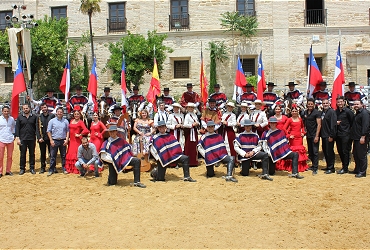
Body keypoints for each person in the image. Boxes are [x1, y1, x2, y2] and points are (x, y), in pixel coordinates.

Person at [279, 105, 308, 172]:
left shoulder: (300, 119)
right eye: (293, 111)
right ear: (291, 112)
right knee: (294, 151)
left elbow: (302, 127)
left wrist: (303, 133)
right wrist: (288, 135)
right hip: (293, 138)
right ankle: (293, 167)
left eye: (295, 111)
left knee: (300, 150)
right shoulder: (289, 119)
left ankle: (301, 167)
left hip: (299, 138)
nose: (294, 112)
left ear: (297, 112)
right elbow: (284, 128)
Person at [65, 108, 90, 174]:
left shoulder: (81, 122)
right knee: (70, 153)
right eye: (75, 114)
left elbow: (86, 130)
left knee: (76, 154)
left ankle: (78, 168)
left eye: (78, 114)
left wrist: (80, 134)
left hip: (77, 141)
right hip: (71, 140)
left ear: (80, 115)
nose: (76, 115)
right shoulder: (71, 120)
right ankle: (70, 169)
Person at [15, 104, 37, 175]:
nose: (25, 109)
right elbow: (17, 128)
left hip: (31, 138)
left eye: (27, 108)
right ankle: (22, 168)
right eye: (24, 108)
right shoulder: (19, 117)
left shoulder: (34, 117)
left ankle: (32, 168)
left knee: (32, 154)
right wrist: (17, 138)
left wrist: (38, 137)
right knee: (23, 154)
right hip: (23, 138)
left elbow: (36, 128)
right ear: (22, 109)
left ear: (29, 108)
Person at [47, 107, 69, 176]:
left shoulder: (66, 121)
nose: (59, 113)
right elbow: (48, 131)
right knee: (53, 156)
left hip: (62, 140)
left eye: (61, 112)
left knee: (63, 155)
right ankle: (51, 169)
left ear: (63, 113)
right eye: (58, 112)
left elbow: (68, 131)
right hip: (54, 140)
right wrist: (51, 140)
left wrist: (67, 139)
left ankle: (64, 168)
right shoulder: (52, 121)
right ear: (56, 113)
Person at [349, 100, 369, 177]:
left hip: (361, 137)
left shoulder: (364, 113)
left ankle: (362, 172)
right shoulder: (357, 113)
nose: (356, 105)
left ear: (361, 104)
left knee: (362, 155)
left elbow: (366, 126)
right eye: (354, 104)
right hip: (356, 137)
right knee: (356, 154)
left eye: (357, 104)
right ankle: (357, 169)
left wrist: (363, 136)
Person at [335, 96, 354, 174]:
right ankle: (344, 165)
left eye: (341, 102)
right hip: (338, 134)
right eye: (338, 102)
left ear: (344, 102)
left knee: (345, 151)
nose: (340, 103)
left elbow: (352, 122)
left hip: (346, 134)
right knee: (340, 151)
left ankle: (345, 168)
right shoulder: (336, 112)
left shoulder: (348, 111)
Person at [303, 98, 322, 175]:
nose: (310, 105)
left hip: (314, 134)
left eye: (311, 104)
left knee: (315, 151)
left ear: (314, 104)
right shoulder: (305, 112)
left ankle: (315, 168)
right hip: (308, 135)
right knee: (310, 151)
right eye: (309, 104)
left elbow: (319, 124)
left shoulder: (317, 113)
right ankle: (313, 165)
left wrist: (317, 136)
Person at [36, 103, 55, 174]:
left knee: (52, 153)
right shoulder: (39, 117)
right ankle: (42, 167)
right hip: (42, 138)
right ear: (41, 109)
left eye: (45, 107)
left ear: (47, 108)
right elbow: (37, 128)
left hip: (50, 138)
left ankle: (53, 167)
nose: (44, 109)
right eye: (42, 108)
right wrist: (39, 137)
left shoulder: (52, 116)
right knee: (42, 153)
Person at [320, 99, 337, 174]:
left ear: (329, 104)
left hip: (329, 135)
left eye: (326, 103)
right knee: (325, 151)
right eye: (324, 103)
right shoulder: (322, 112)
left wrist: (331, 135)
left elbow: (333, 125)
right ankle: (328, 166)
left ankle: (331, 167)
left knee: (329, 151)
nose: (325, 104)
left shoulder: (331, 112)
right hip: (323, 135)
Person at [0, 106, 15, 177]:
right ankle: (0, 171)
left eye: (7, 111)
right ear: (2, 111)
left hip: (10, 139)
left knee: (10, 156)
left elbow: (13, 128)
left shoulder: (12, 119)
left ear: (9, 111)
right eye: (4, 111)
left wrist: (13, 136)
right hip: (1, 139)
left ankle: (8, 170)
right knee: (0, 157)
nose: (6, 113)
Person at [183, 102, 200, 167]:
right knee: (188, 146)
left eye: (192, 107)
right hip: (189, 132)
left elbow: (197, 121)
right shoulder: (187, 115)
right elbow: (185, 124)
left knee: (194, 146)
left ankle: (194, 161)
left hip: (194, 131)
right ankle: (188, 161)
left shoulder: (194, 115)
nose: (190, 108)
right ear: (187, 108)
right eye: (189, 107)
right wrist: (192, 125)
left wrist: (197, 124)